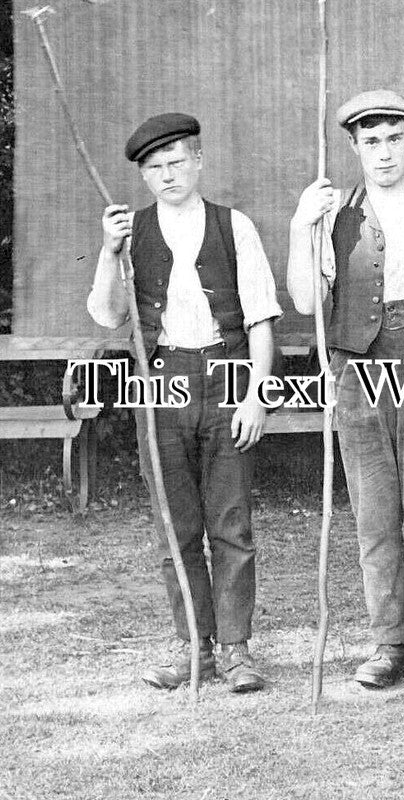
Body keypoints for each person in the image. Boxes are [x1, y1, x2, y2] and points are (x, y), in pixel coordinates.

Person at [288, 89, 404, 693]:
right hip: (357, 378)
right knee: (375, 521)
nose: (385, 152)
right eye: (371, 141)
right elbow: (303, 301)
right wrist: (301, 227)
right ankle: (389, 644)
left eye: (395, 138)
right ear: (353, 147)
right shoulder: (332, 218)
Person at [89, 113, 280, 692]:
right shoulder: (131, 233)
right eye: (154, 167)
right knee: (175, 527)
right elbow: (109, 315)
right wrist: (107, 251)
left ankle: (236, 650)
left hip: (227, 376)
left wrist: (257, 396)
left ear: (198, 162)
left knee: (231, 523)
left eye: (176, 162)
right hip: (160, 383)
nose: (167, 174)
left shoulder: (233, 226)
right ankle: (191, 646)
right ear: (143, 177)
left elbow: (262, 320)